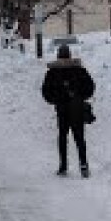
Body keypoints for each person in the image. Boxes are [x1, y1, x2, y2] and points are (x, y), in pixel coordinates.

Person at [40, 44, 95, 177]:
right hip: (76, 109)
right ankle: (83, 166)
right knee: (80, 138)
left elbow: (45, 92)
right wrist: (80, 97)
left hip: (62, 109)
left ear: (58, 55)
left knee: (63, 137)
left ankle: (63, 166)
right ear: (69, 55)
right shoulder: (79, 70)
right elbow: (90, 87)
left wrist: (56, 100)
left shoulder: (52, 72)